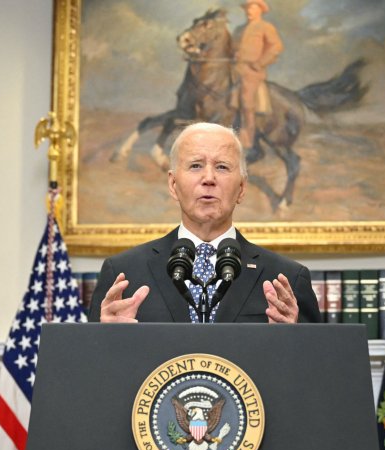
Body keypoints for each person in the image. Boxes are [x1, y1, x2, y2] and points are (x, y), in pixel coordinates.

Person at [88, 122, 321, 324]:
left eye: (222, 167)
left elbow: (315, 369)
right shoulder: (124, 274)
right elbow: (93, 367)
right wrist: (107, 336)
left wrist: (293, 338)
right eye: (195, 165)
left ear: (241, 188)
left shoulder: (286, 280)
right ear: (173, 185)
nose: (209, 178)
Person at [232, 0, 283, 158]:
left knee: (247, 101)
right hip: (234, 69)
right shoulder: (239, 29)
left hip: (252, 72)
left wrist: (260, 62)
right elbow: (232, 48)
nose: (249, 10)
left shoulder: (265, 27)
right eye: (247, 8)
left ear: (261, 10)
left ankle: (248, 141)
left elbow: (276, 47)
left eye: (253, 7)